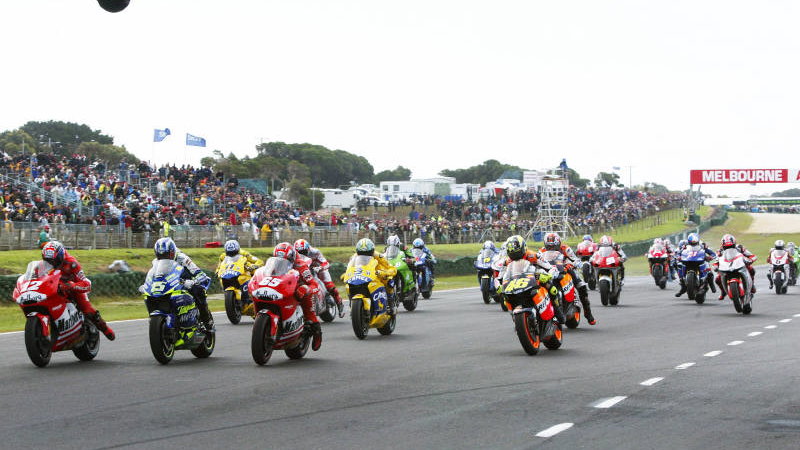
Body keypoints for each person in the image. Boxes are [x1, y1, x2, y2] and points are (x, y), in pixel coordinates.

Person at [40, 241, 115, 340]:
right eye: (47, 260)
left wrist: (72, 285)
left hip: (73, 289)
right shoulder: (44, 265)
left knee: (88, 310)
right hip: (55, 289)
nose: (51, 263)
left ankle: (105, 329)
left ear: (60, 256)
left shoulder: (72, 263)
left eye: (53, 260)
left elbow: (87, 284)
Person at [153, 237, 214, 331]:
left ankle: (207, 320)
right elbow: (154, 276)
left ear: (172, 252)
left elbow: (200, 274)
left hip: (187, 282)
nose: (164, 258)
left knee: (198, 291)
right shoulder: (156, 262)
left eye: (167, 255)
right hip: (170, 284)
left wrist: (193, 281)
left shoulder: (182, 258)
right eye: (161, 256)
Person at [271, 242, 323, 350]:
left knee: (308, 302)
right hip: (281, 290)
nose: (281, 263)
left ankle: (316, 331)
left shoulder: (300, 265)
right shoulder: (273, 264)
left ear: (291, 258)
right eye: (278, 260)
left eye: (284, 260)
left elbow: (314, 284)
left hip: (297, 292)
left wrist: (305, 288)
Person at [502, 235, 562, 323]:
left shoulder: (533, 255)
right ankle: (516, 318)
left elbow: (551, 268)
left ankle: (557, 311)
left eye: (517, 253)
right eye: (512, 254)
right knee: (505, 299)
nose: (515, 256)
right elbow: (501, 275)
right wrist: (499, 285)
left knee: (552, 289)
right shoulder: (508, 261)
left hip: (535, 277)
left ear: (523, 248)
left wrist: (548, 275)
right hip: (516, 282)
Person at [541, 232, 596, 325]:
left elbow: (575, 259)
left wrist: (573, 264)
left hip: (564, 269)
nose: (551, 248)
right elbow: (537, 261)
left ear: (559, 244)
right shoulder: (541, 251)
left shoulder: (565, 248)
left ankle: (588, 313)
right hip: (549, 272)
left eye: (554, 246)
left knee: (581, 286)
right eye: (549, 246)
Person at [294, 238, 345, 318]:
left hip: (318, 269)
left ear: (308, 249)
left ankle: (339, 303)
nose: (302, 254)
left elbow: (325, 263)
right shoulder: (294, 255)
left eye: (303, 252)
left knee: (329, 285)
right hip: (304, 271)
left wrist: (320, 268)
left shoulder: (315, 252)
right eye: (299, 252)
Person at [352, 238, 398, 312]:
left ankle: (391, 303)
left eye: (367, 254)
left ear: (372, 251)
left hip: (377, 274)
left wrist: (384, 273)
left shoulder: (379, 256)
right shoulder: (355, 257)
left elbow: (391, 267)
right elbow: (350, 267)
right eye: (361, 254)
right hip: (362, 275)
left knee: (389, 281)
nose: (364, 256)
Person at [714, 234, 757, 300]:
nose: (729, 248)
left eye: (731, 246)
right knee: (717, 279)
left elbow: (752, 256)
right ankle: (723, 291)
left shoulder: (740, 247)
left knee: (751, 269)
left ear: (734, 244)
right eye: (726, 247)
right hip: (726, 267)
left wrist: (750, 260)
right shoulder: (720, 251)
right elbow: (716, 260)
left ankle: (751, 284)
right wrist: (715, 266)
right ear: (722, 246)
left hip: (740, 265)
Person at [674, 233, 715, 298]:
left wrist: (711, 257)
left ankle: (712, 285)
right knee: (679, 265)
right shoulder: (684, 245)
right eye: (691, 243)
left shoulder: (702, 245)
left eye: (695, 243)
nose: (693, 244)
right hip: (688, 260)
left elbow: (712, 253)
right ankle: (683, 285)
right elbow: (677, 252)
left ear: (698, 241)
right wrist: (678, 256)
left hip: (700, 260)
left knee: (708, 269)